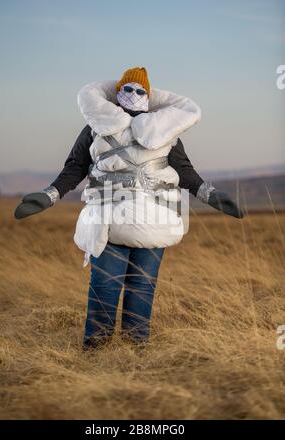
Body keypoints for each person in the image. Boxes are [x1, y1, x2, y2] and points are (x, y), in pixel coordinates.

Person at [15, 67, 244, 349]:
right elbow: (75, 167)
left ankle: (136, 348)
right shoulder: (95, 128)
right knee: (106, 286)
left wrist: (211, 195)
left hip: (153, 218)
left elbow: (184, 171)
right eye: (127, 89)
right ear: (116, 93)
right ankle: (97, 349)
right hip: (111, 219)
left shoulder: (165, 131)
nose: (133, 95)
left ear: (149, 96)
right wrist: (49, 195)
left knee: (141, 285)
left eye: (140, 90)